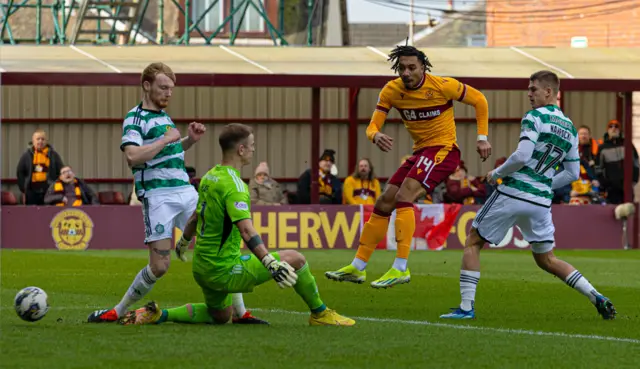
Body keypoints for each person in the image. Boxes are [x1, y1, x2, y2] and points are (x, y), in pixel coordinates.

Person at [119, 123, 355, 327]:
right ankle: (320, 313)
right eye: (251, 145)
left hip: (202, 267)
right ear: (241, 149)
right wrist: (270, 262)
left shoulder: (210, 176)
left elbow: (194, 217)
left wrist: (182, 242)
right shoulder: (236, 186)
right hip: (223, 270)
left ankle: (159, 314)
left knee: (221, 316)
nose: (253, 149)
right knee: (296, 258)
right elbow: (246, 230)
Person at [87, 62, 258, 324]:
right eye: (163, 87)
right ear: (146, 86)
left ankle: (240, 311)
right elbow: (133, 156)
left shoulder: (165, 118)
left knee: (223, 245)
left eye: (171, 89)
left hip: (186, 192)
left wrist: (188, 140)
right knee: (159, 266)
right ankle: (117, 311)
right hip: (159, 197)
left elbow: (167, 153)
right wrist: (165, 140)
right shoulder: (135, 118)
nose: (168, 93)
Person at [440, 70, 616, 320]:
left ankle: (466, 308)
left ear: (549, 92)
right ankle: (595, 295)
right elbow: (573, 173)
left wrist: (497, 172)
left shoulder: (534, 117)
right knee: (547, 260)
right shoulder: (571, 128)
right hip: (541, 201)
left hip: (513, 192)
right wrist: (544, 184)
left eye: (534, 89)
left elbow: (522, 156)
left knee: (473, 241)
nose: (529, 93)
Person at [325, 44, 491, 288]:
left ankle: (400, 267)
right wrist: (375, 136)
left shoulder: (442, 85)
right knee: (383, 202)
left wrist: (482, 137)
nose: (406, 72)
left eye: (412, 67)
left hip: (444, 151)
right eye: (401, 68)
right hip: (420, 152)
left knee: (404, 196)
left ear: (423, 67)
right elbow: (372, 126)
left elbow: (480, 100)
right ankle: (358, 267)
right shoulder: (391, 91)